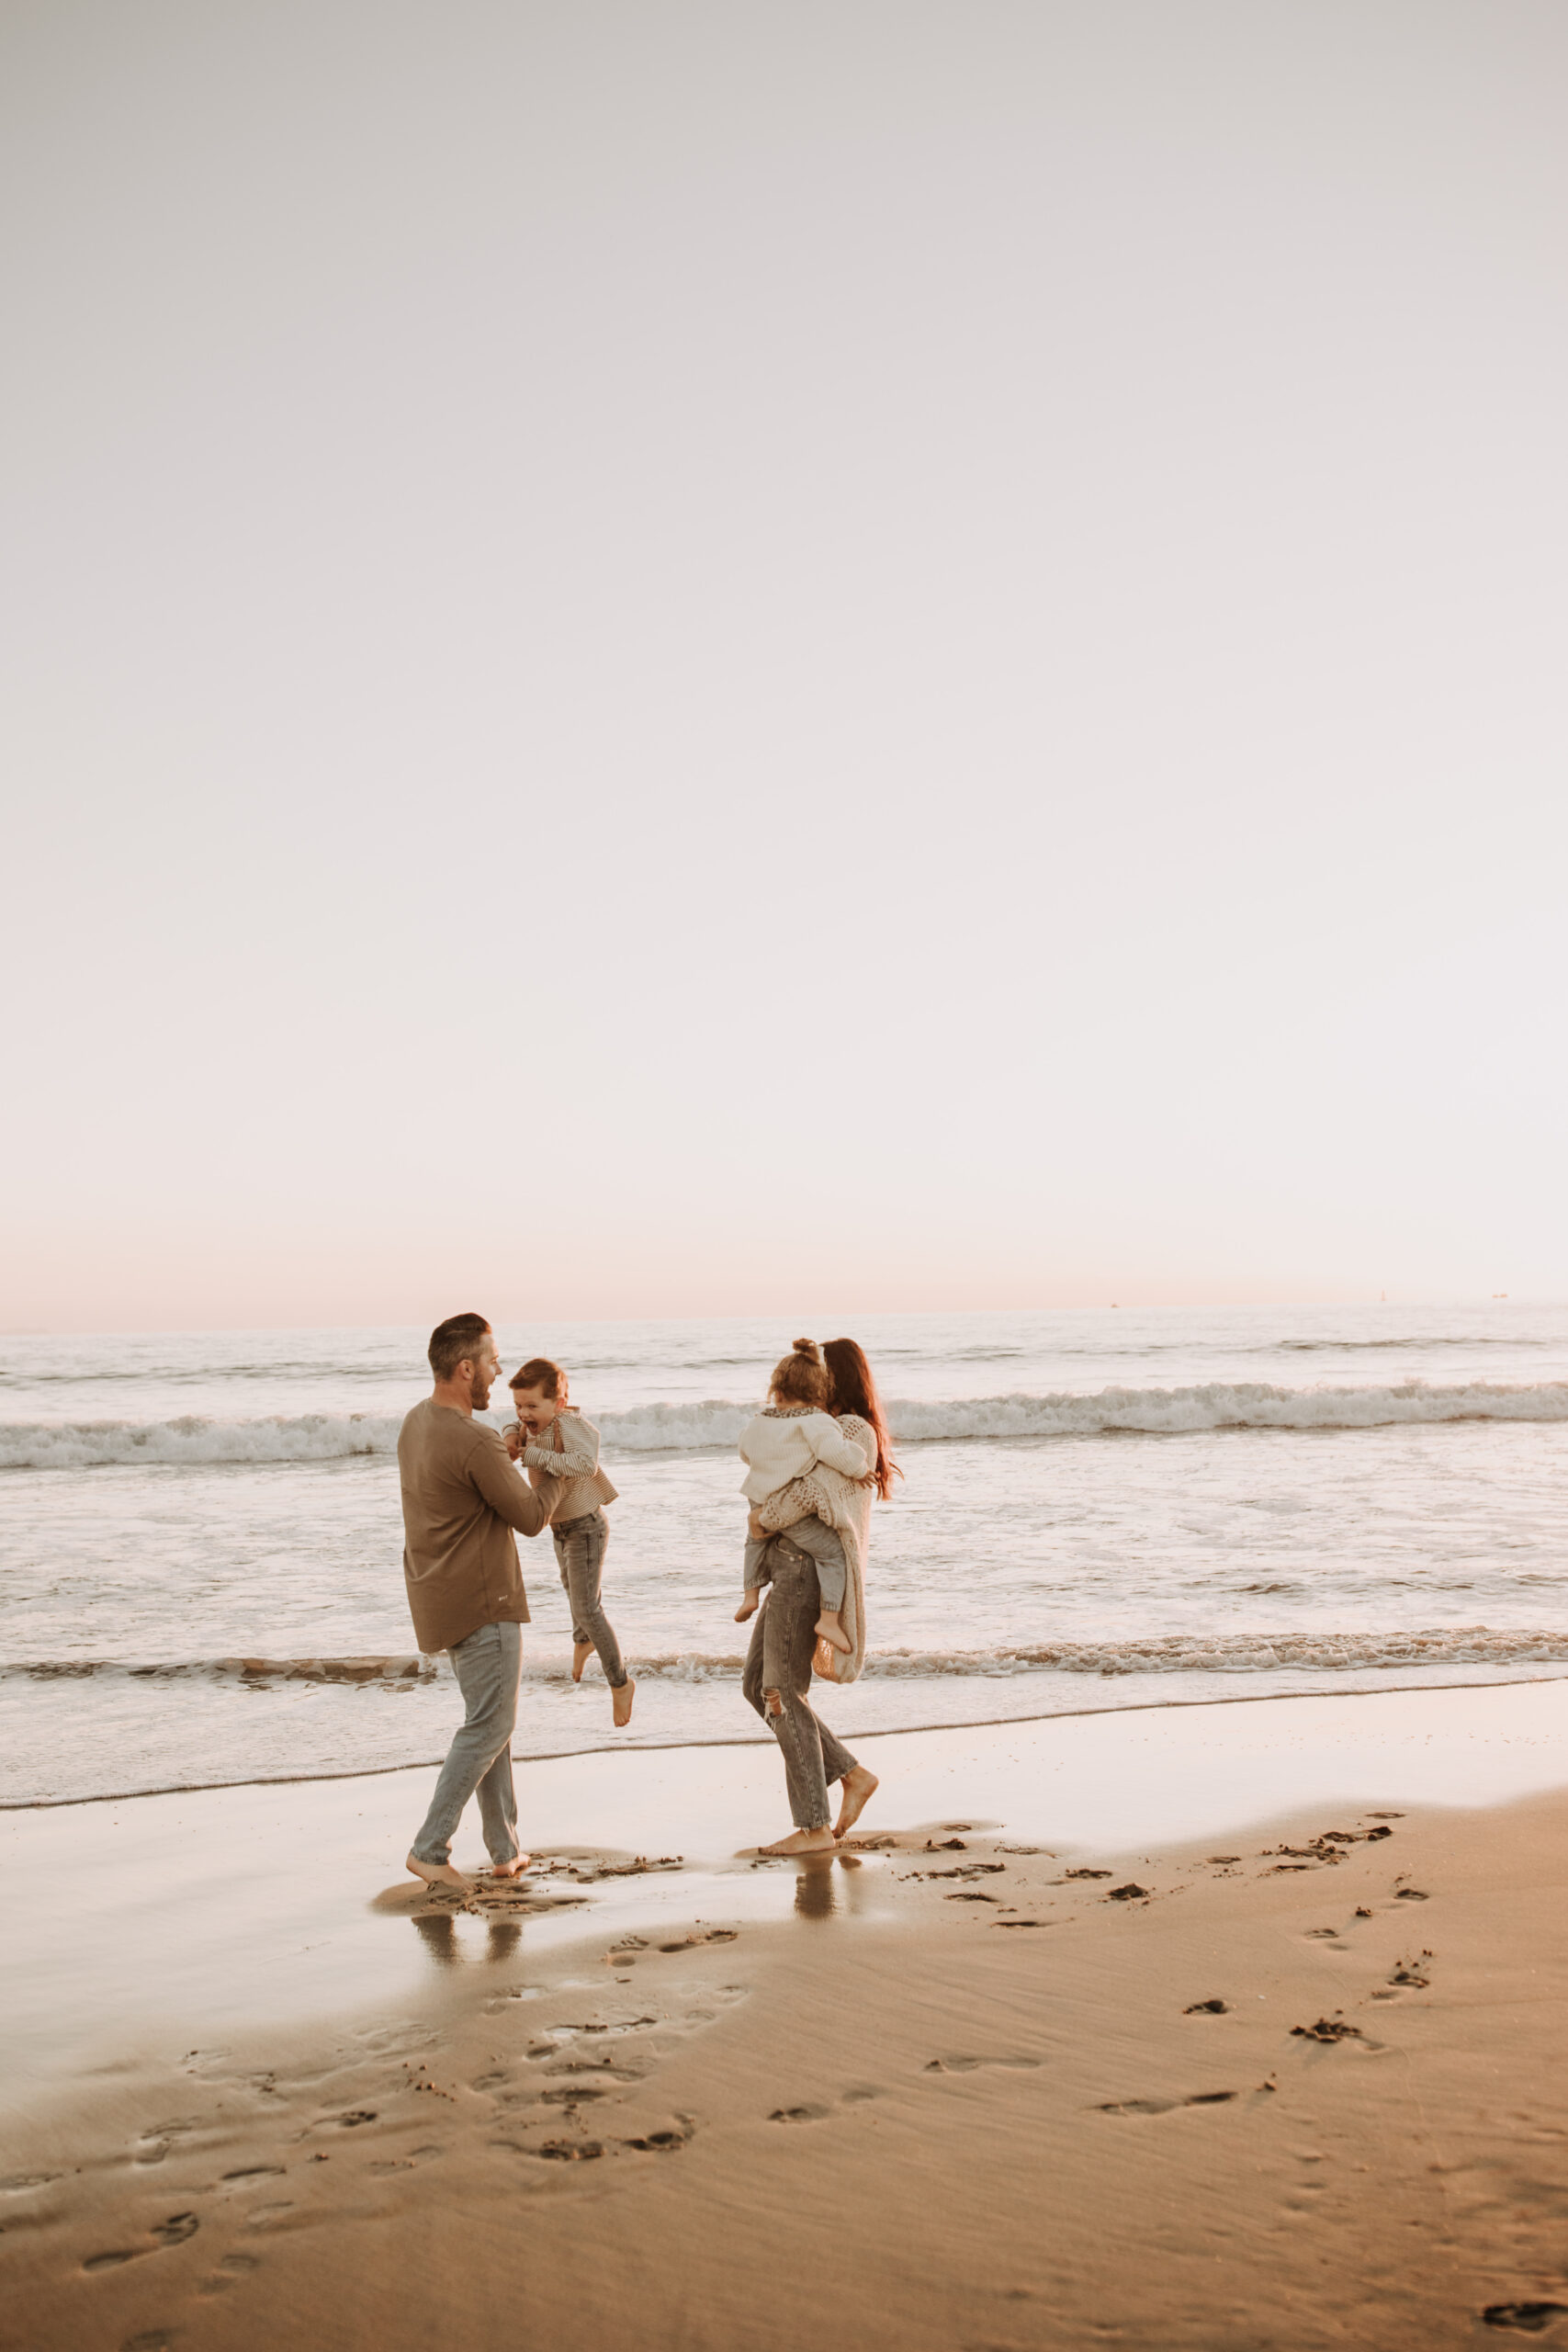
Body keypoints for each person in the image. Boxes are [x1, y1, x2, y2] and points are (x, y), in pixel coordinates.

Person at [398, 1312, 554, 1892]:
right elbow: (534, 1518)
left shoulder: (419, 1422)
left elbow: (465, 1480)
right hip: (484, 1599)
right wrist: (558, 1462)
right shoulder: (474, 1438)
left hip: (439, 1594)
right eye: (492, 1361)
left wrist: (503, 1454)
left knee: (490, 1722)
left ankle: (504, 1849)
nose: (498, 1371)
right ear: (466, 1369)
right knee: (490, 1725)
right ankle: (429, 1847)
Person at [740, 1335, 897, 1855]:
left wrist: (763, 1517)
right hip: (789, 1569)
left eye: (818, 1371)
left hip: (807, 1571)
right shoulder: (823, 1428)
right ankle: (850, 1775)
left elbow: (812, 1496)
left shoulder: (852, 1431)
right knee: (755, 1686)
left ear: (836, 1379)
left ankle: (812, 1827)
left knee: (780, 1692)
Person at [501, 1356, 635, 1729]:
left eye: (531, 1406)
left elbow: (584, 1464)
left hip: (586, 1526)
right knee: (570, 1590)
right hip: (560, 1527)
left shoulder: (570, 1425)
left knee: (587, 1606)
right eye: (518, 1405)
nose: (523, 1413)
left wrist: (528, 1452)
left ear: (558, 1403)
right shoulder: (532, 1423)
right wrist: (512, 1433)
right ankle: (582, 1641)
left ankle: (620, 1683)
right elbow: (514, 1426)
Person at [735, 1339, 873, 1656]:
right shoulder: (818, 1423)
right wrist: (859, 1465)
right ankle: (829, 1617)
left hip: (756, 1497)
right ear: (820, 1389)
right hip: (786, 1514)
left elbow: (745, 1451)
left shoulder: (759, 1421)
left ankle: (749, 1594)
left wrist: (760, 1512)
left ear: (777, 1391)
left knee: (753, 1541)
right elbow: (835, 1455)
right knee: (833, 1555)